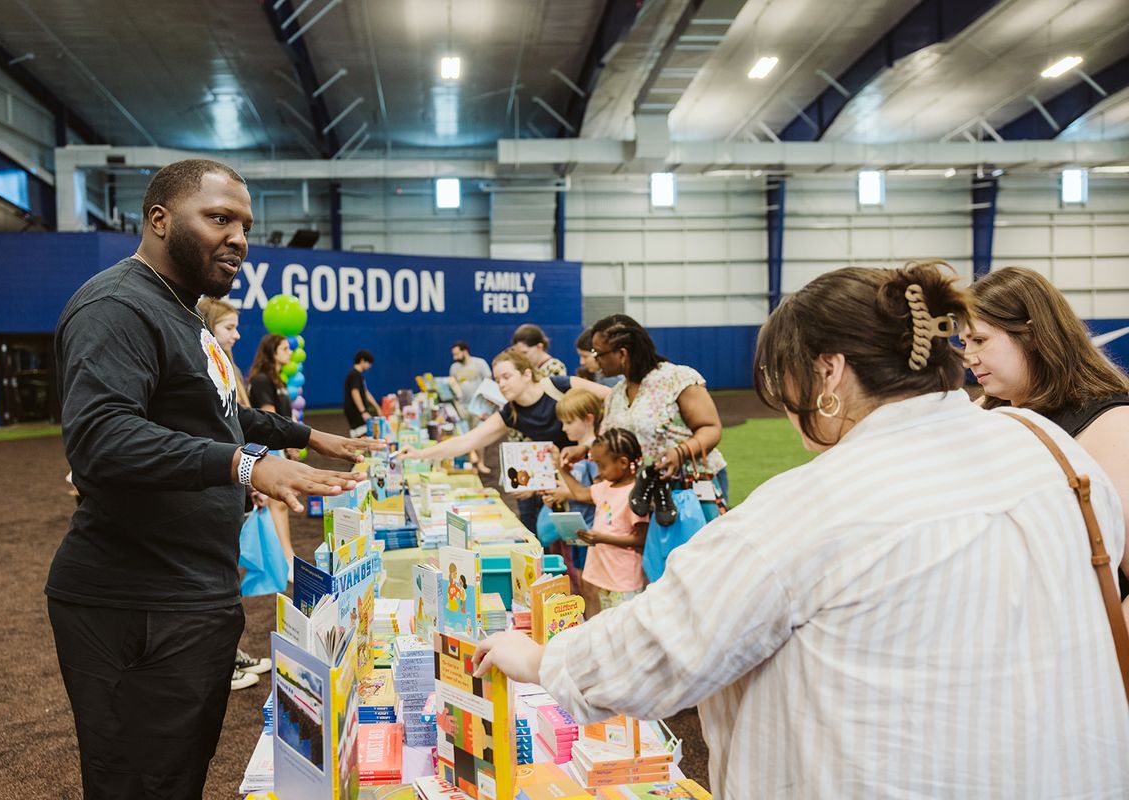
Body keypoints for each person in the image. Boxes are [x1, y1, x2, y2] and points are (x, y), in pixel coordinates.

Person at [474, 261, 1129, 797]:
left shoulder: (816, 504)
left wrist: (538, 658)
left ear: (828, 373)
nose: (787, 412)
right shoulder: (1048, 448)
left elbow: (657, 648)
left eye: (783, 386)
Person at [47, 158, 384, 799]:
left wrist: (308, 437)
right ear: (159, 219)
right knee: (142, 783)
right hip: (136, 603)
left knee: (177, 776)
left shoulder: (185, 313)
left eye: (245, 225)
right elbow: (100, 437)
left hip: (188, 590)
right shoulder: (117, 306)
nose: (238, 237)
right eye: (219, 218)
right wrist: (246, 464)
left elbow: (220, 413)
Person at [964, 265, 1129, 598]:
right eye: (964, 342)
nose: (968, 357)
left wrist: (1105, 648)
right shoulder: (986, 413)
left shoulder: (1112, 424)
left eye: (979, 340)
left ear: (1033, 336)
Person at [398, 349, 610, 533]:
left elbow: (611, 396)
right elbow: (468, 440)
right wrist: (420, 454)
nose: (501, 384)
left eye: (507, 377)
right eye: (497, 379)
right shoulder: (511, 412)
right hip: (565, 482)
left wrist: (595, 444)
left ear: (526, 374)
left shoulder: (559, 386)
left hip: (597, 471)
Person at [197, 296, 274, 690]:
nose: (237, 334)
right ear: (210, 327)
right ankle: (220, 662)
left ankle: (230, 651)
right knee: (214, 579)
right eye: (229, 327)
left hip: (236, 483)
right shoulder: (206, 367)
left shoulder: (227, 366)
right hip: (217, 485)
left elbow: (242, 427)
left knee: (228, 575)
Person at [585, 315, 725, 499]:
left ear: (622, 354)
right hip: (644, 494)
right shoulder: (616, 395)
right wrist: (584, 450)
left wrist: (680, 452)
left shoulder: (677, 378)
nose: (595, 360)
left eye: (599, 353)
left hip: (690, 488)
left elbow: (710, 428)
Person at [554, 428, 648, 615]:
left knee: (623, 625)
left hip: (623, 579)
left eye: (602, 465)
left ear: (622, 463)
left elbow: (641, 539)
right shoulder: (606, 487)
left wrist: (601, 538)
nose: (598, 471)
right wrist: (563, 471)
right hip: (603, 573)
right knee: (606, 621)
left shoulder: (634, 495)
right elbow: (581, 493)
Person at [541, 388, 603, 613]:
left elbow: (600, 493)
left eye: (568, 422)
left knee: (590, 587)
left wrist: (566, 493)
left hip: (592, 530)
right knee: (579, 582)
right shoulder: (575, 454)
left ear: (588, 419)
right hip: (577, 532)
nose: (564, 428)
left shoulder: (596, 454)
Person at [247, 333, 301, 580]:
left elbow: (285, 419)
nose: (289, 352)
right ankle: (285, 559)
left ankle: (285, 557)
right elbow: (270, 419)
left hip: (279, 447)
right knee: (276, 504)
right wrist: (290, 440)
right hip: (268, 448)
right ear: (271, 351)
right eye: (283, 348)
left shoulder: (278, 380)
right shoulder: (261, 380)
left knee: (281, 505)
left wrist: (294, 441)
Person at [448, 340, 493, 473]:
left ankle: (481, 463)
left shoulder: (479, 363)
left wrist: (486, 402)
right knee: (465, 435)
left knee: (480, 435)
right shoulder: (454, 368)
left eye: (457, 354)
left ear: (464, 351)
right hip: (462, 407)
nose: (455, 357)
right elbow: (453, 385)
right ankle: (470, 465)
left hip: (478, 407)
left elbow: (488, 381)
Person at [344, 349, 379, 437]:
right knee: (361, 435)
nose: (370, 366)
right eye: (369, 363)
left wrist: (377, 407)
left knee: (358, 434)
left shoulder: (358, 375)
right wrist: (363, 411)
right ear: (362, 360)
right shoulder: (354, 374)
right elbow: (355, 392)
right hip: (355, 411)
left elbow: (365, 392)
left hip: (357, 410)